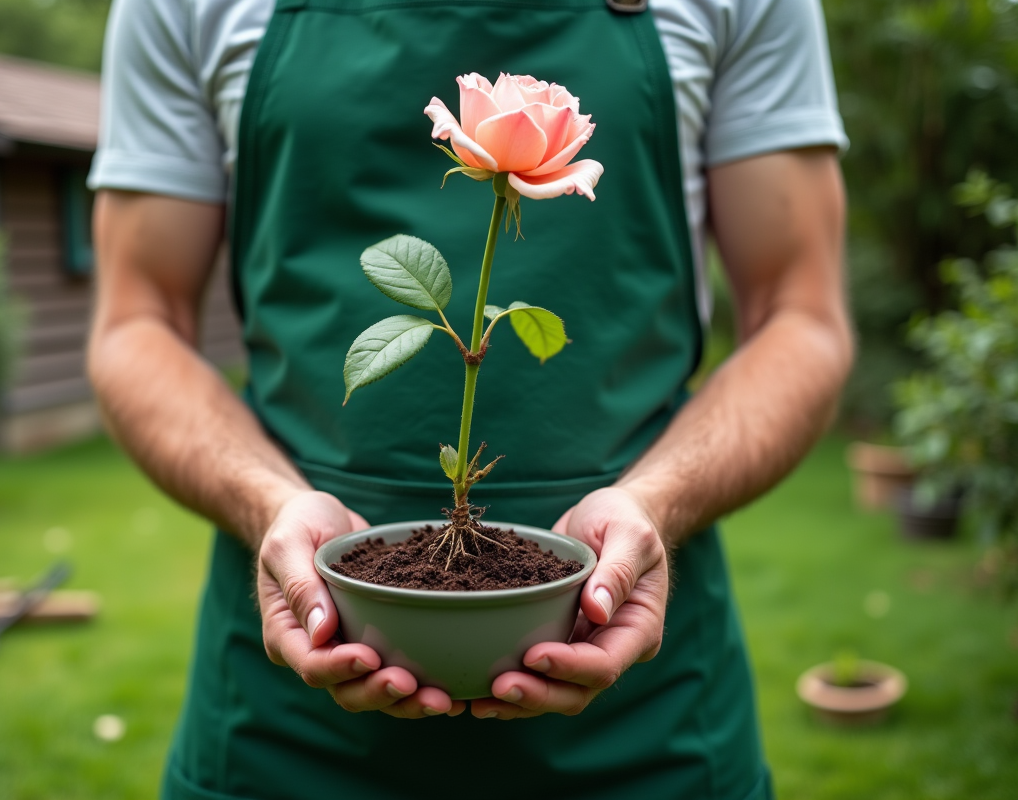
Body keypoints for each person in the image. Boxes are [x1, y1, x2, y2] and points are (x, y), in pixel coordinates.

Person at [86, 0, 852, 796]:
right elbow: (136, 324)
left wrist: (656, 504)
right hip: (283, 734)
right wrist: (265, 502)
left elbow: (803, 317)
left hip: (647, 727)